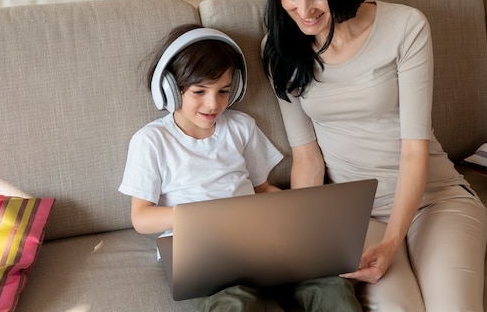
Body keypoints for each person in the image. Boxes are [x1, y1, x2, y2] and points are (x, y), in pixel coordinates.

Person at [262, 0, 487, 312]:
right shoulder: (280, 49)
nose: (303, 10)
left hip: (436, 200)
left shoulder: (405, 27)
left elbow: (414, 149)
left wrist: (392, 242)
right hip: (356, 214)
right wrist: (308, 237)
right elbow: (308, 158)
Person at [119, 24, 362, 312]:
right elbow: (141, 218)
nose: (213, 104)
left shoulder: (240, 127)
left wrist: (302, 210)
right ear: (171, 90)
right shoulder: (151, 141)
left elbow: (262, 189)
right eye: (199, 91)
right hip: (198, 251)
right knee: (235, 303)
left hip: (256, 238)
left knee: (329, 283)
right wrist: (201, 217)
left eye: (223, 91)